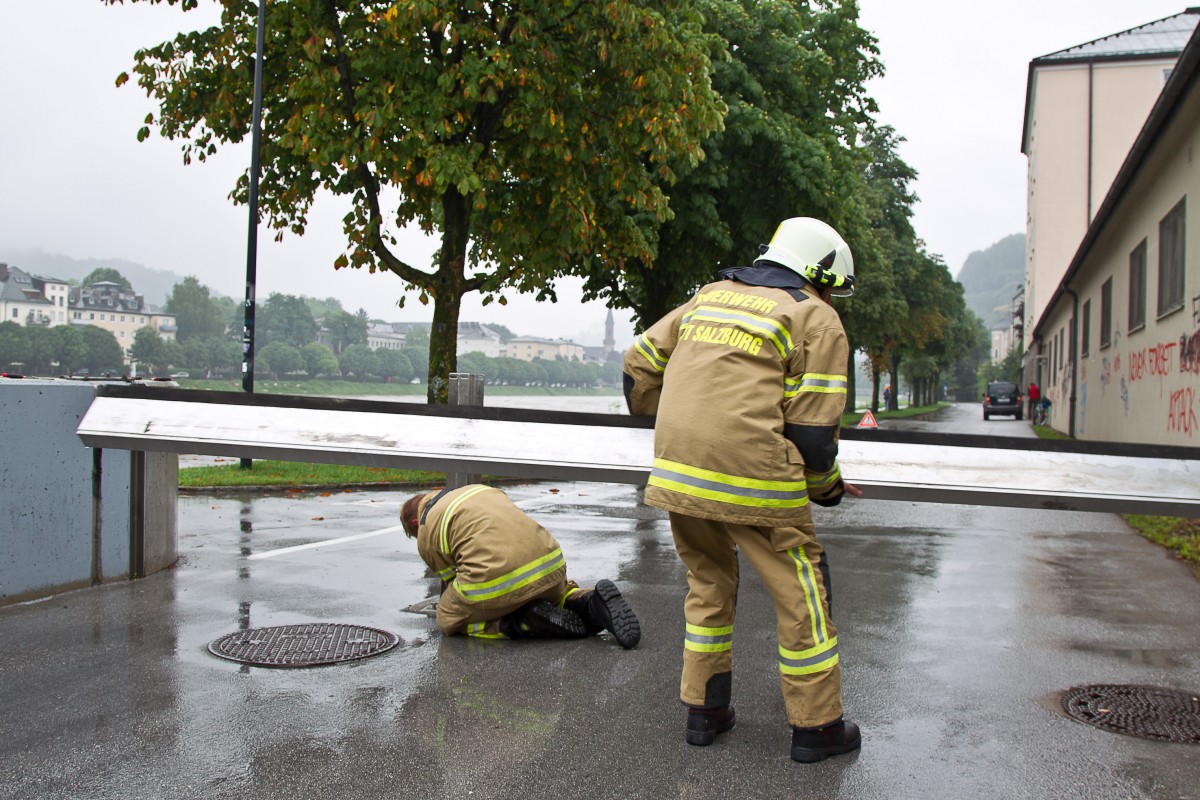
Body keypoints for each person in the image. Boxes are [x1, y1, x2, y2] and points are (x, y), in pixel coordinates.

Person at [623, 217, 864, 763]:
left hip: (680, 473)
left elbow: (638, 366)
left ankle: (704, 710)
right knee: (801, 593)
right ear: (819, 273)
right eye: (831, 287)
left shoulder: (710, 296)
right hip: (757, 479)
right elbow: (812, 435)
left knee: (709, 582)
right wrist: (828, 490)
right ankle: (817, 727)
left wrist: (681, 424)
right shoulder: (815, 317)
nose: (831, 298)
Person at [400, 484, 641, 648]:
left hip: (498, 581)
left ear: (414, 520)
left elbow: (451, 581)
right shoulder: (478, 491)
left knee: (448, 618)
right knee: (556, 595)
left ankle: (521, 623)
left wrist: (449, 604)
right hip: (551, 565)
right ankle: (591, 602)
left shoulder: (427, 526)